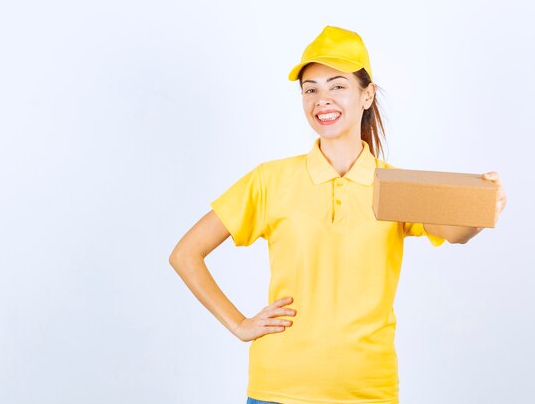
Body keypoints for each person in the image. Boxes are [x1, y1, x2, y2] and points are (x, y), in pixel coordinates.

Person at [169, 25, 507, 404]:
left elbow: (455, 231)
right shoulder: (270, 180)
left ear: (367, 95)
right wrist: (240, 324)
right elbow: (185, 254)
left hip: (367, 390)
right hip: (279, 389)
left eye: (337, 86)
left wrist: (480, 206)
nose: (321, 99)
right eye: (310, 89)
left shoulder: (394, 185)